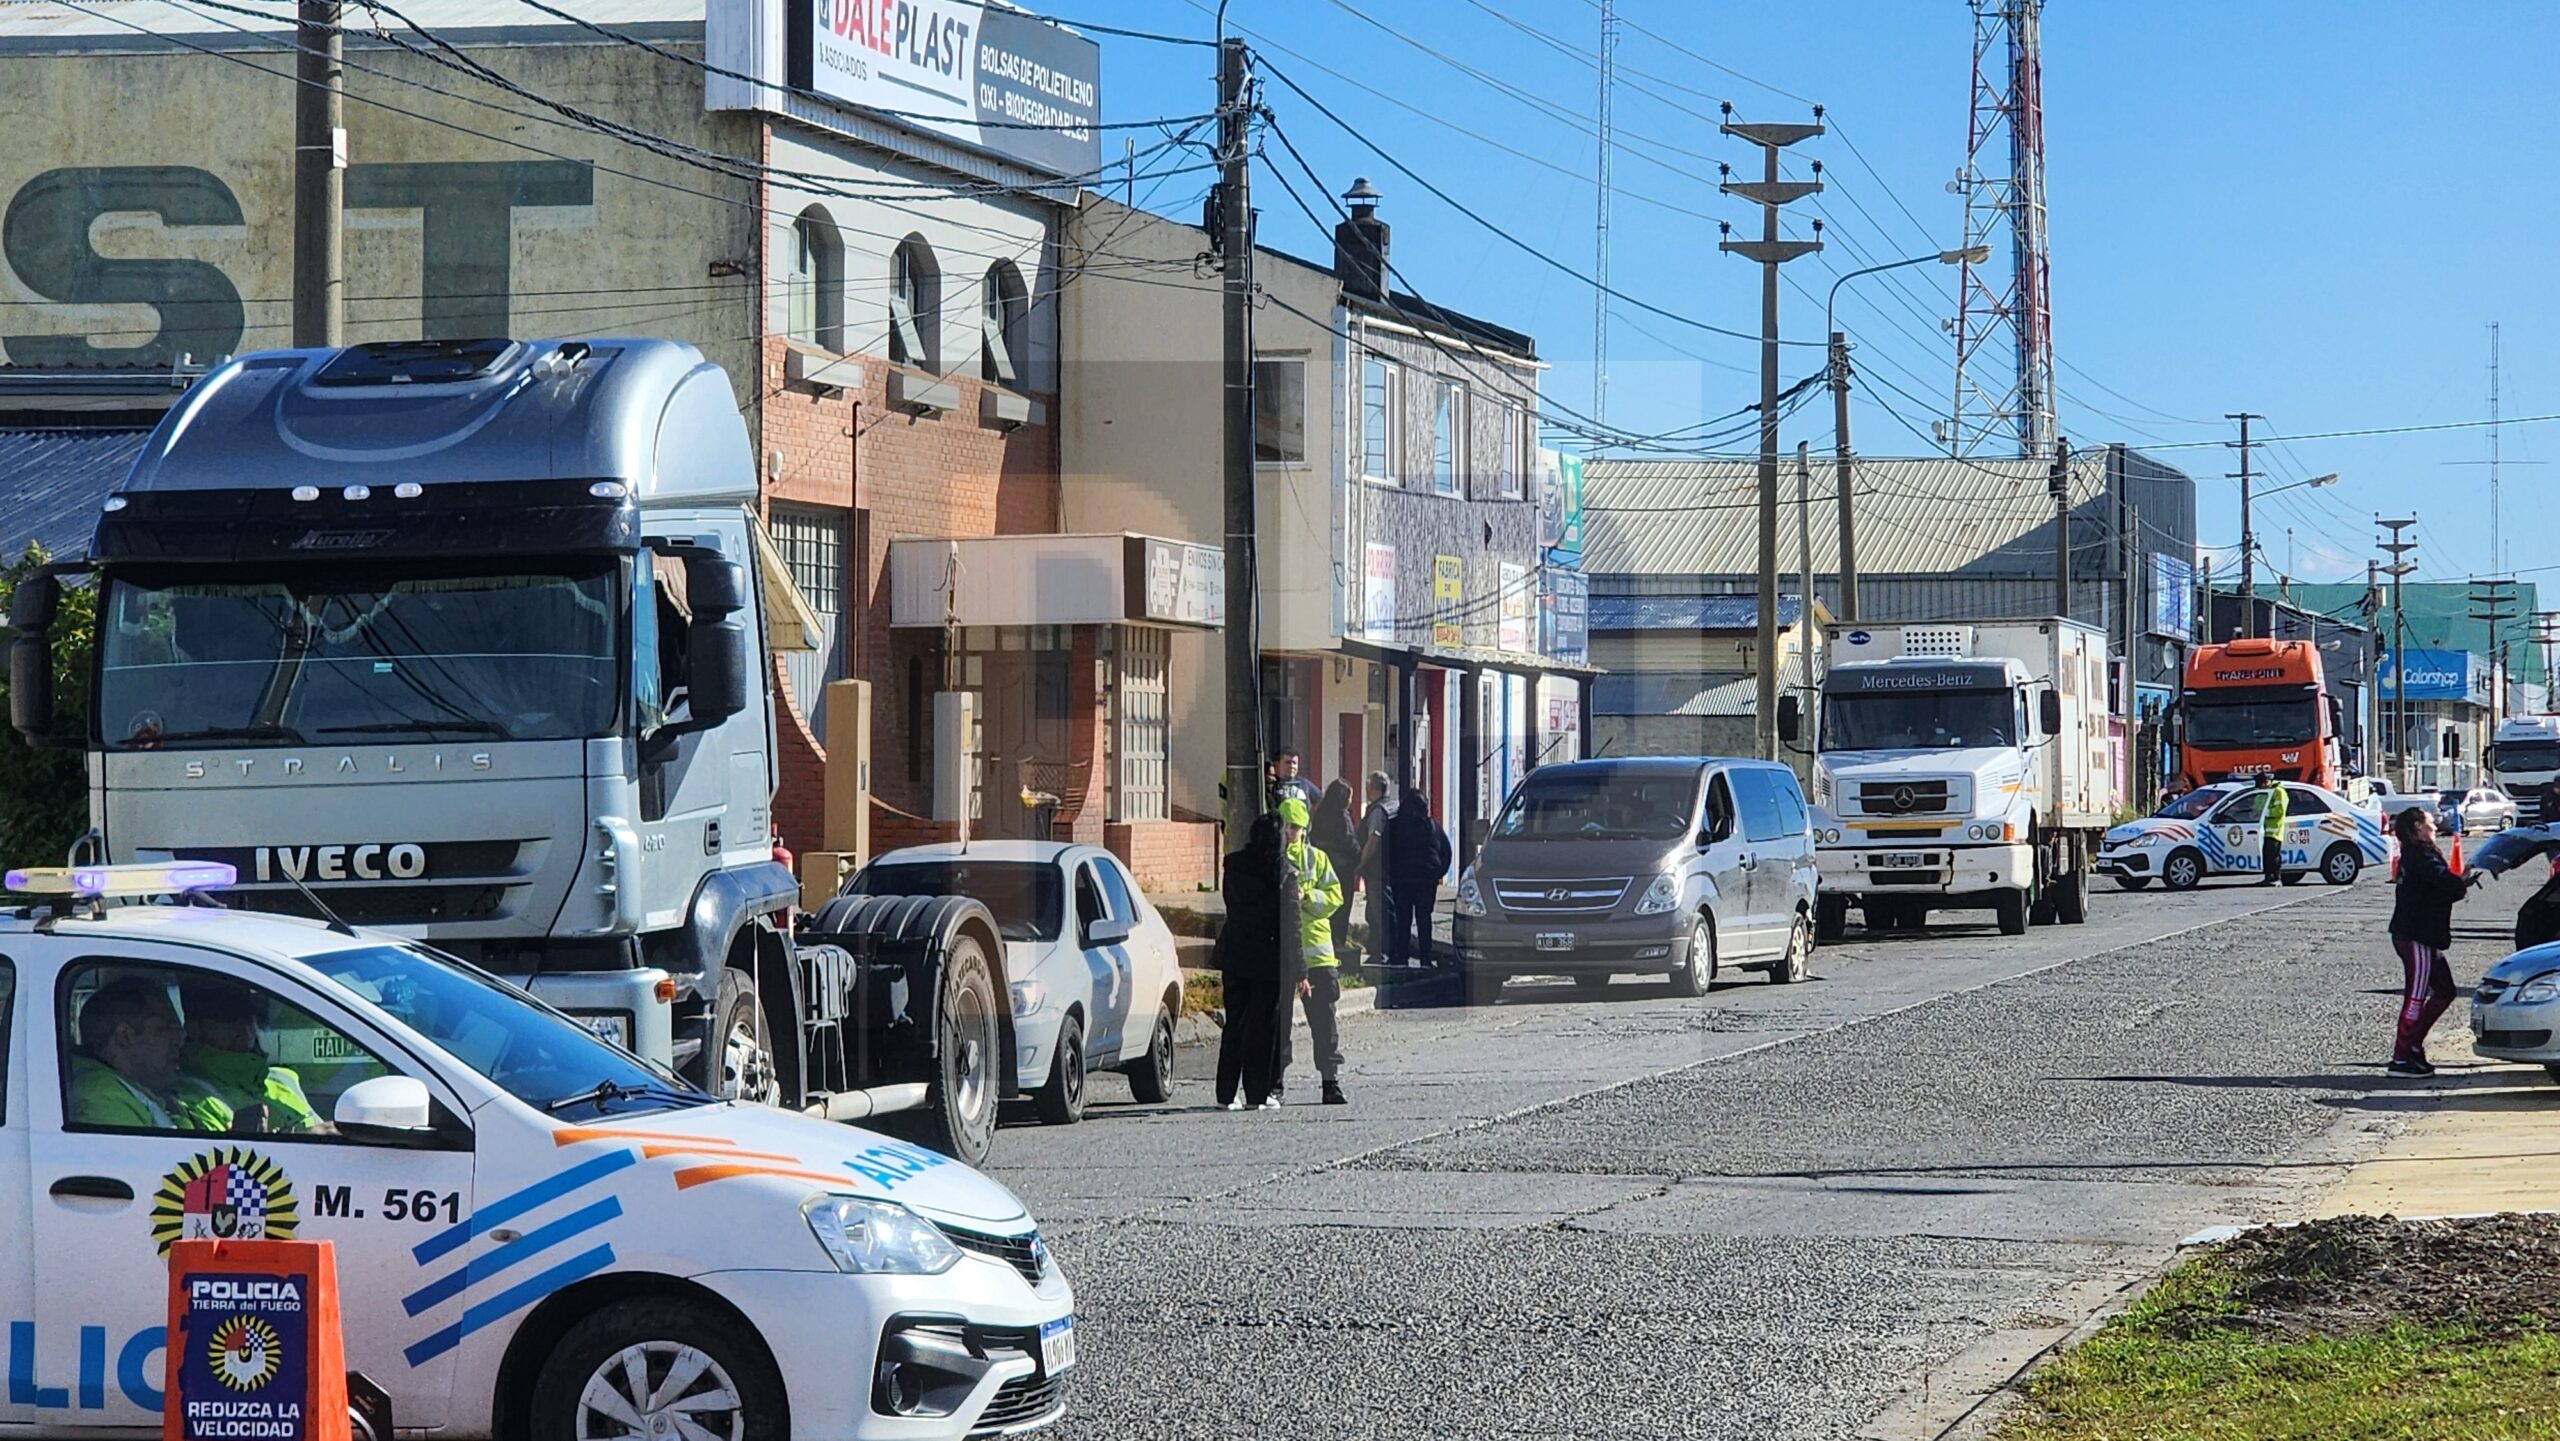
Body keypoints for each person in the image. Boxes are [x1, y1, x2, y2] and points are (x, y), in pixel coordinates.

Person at [2386, 805, 2485, 1076]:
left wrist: (2459, 884)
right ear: (2417, 826)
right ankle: (2401, 1058)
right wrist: (2459, 881)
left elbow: (2439, 889)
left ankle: (2414, 1044)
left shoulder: (2421, 853)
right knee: (2416, 996)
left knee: (2445, 990)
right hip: (2415, 935)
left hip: (2427, 934)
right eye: (2429, 822)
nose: (2434, 825)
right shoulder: (2418, 855)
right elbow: (2440, 880)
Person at [68, 977, 228, 1130]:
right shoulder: (103, 1100)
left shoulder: (141, 1090)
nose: (179, 1040)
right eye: (165, 1029)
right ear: (125, 1037)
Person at [1213, 815, 1293, 1111]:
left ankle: (1225, 1093)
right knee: (1262, 1027)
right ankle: (1257, 1094)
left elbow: (1231, 906)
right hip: (1268, 958)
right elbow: (1289, 923)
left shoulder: (1233, 866)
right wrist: (1297, 966)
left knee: (1234, 1023)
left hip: (1235, 953)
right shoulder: (1281, 871)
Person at [177, 978, 324, 1135]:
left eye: (250, 1015)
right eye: (228, 1017)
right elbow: (221, 1158)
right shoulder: (189, 1097)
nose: (243, 1025)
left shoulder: (283, 1078)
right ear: (192, 1027)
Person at [1277, 796, 1349, 1105]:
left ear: (1304, 828)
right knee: (1278, 1024)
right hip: (1281, 953)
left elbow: (1335, 898)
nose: (1290, 832)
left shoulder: (1316, 859)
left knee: (1323, 1022)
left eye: (1295, 827)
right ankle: (1275, 1082)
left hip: (1317, 956)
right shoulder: (1273, 859)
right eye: (1286, 826)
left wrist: (1307, 896)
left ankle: (1330, 1082)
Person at [1385, 784, 1453, 969]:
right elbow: (1446, 852)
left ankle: (1402, 956)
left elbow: (1386, 853)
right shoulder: (1432, 826)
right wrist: (1438, 873)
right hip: (1426, 880)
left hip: (1402, 879)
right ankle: (1425, 958)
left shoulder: (1395, 826)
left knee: (1403, 918)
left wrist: (1390, 874)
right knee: (1424, 919)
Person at [1309, 779, 1363, 965]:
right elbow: (1349, 842)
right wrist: (1360, 858)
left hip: (1324, 866)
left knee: (1326, 907)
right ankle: (1338, 942)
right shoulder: (1342, 816)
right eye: (1349, 797)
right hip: (1342, 867)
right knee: (1341, 906)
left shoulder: (1320, 813)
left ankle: (1329, 941)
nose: (1350, 801)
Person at [1355, 771, 1395, 966]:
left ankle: (1381, 953)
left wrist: (1360, 864)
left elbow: (1373, 840)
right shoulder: (1393, 806)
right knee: (1385, 911)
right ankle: (1388, 950)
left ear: (1371, 789)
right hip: (1391, 868)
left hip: (1377, 870)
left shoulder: (1378, 812)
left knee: (1377, 913)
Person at [2257, 774, 2289, 885]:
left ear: (2266, 782)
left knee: (2274, 855)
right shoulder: (2264, 792)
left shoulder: (2279, 792)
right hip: (2263, 830)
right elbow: (2256, 806)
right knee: (2266, 855)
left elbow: (2280, 811)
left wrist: (2265, 813)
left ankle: (2276, 878)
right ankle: (2268, 877)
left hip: (2275, 830)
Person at [1268, 748, 1321, 815]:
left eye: (1294, 763)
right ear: (1277, 765)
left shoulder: (1304, 783)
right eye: (1288, 763)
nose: (1292, 766)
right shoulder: (1271, 785)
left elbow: (1321, 800)